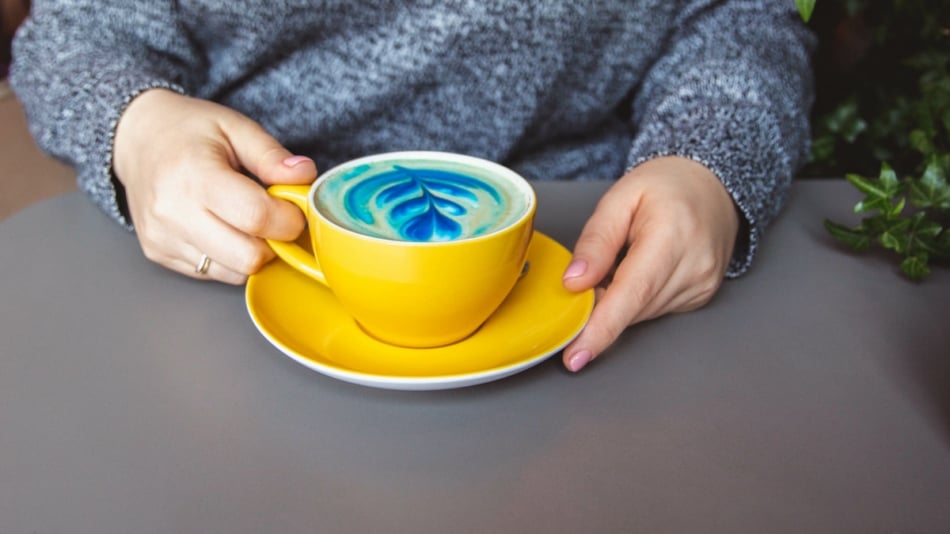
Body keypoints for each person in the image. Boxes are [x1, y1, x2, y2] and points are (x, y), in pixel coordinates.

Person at [10, 1, 815, 372]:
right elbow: (75, 38)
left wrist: (709, 161)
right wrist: (139, 130)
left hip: (607, 267)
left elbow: (738, 20)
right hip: (234, 257)